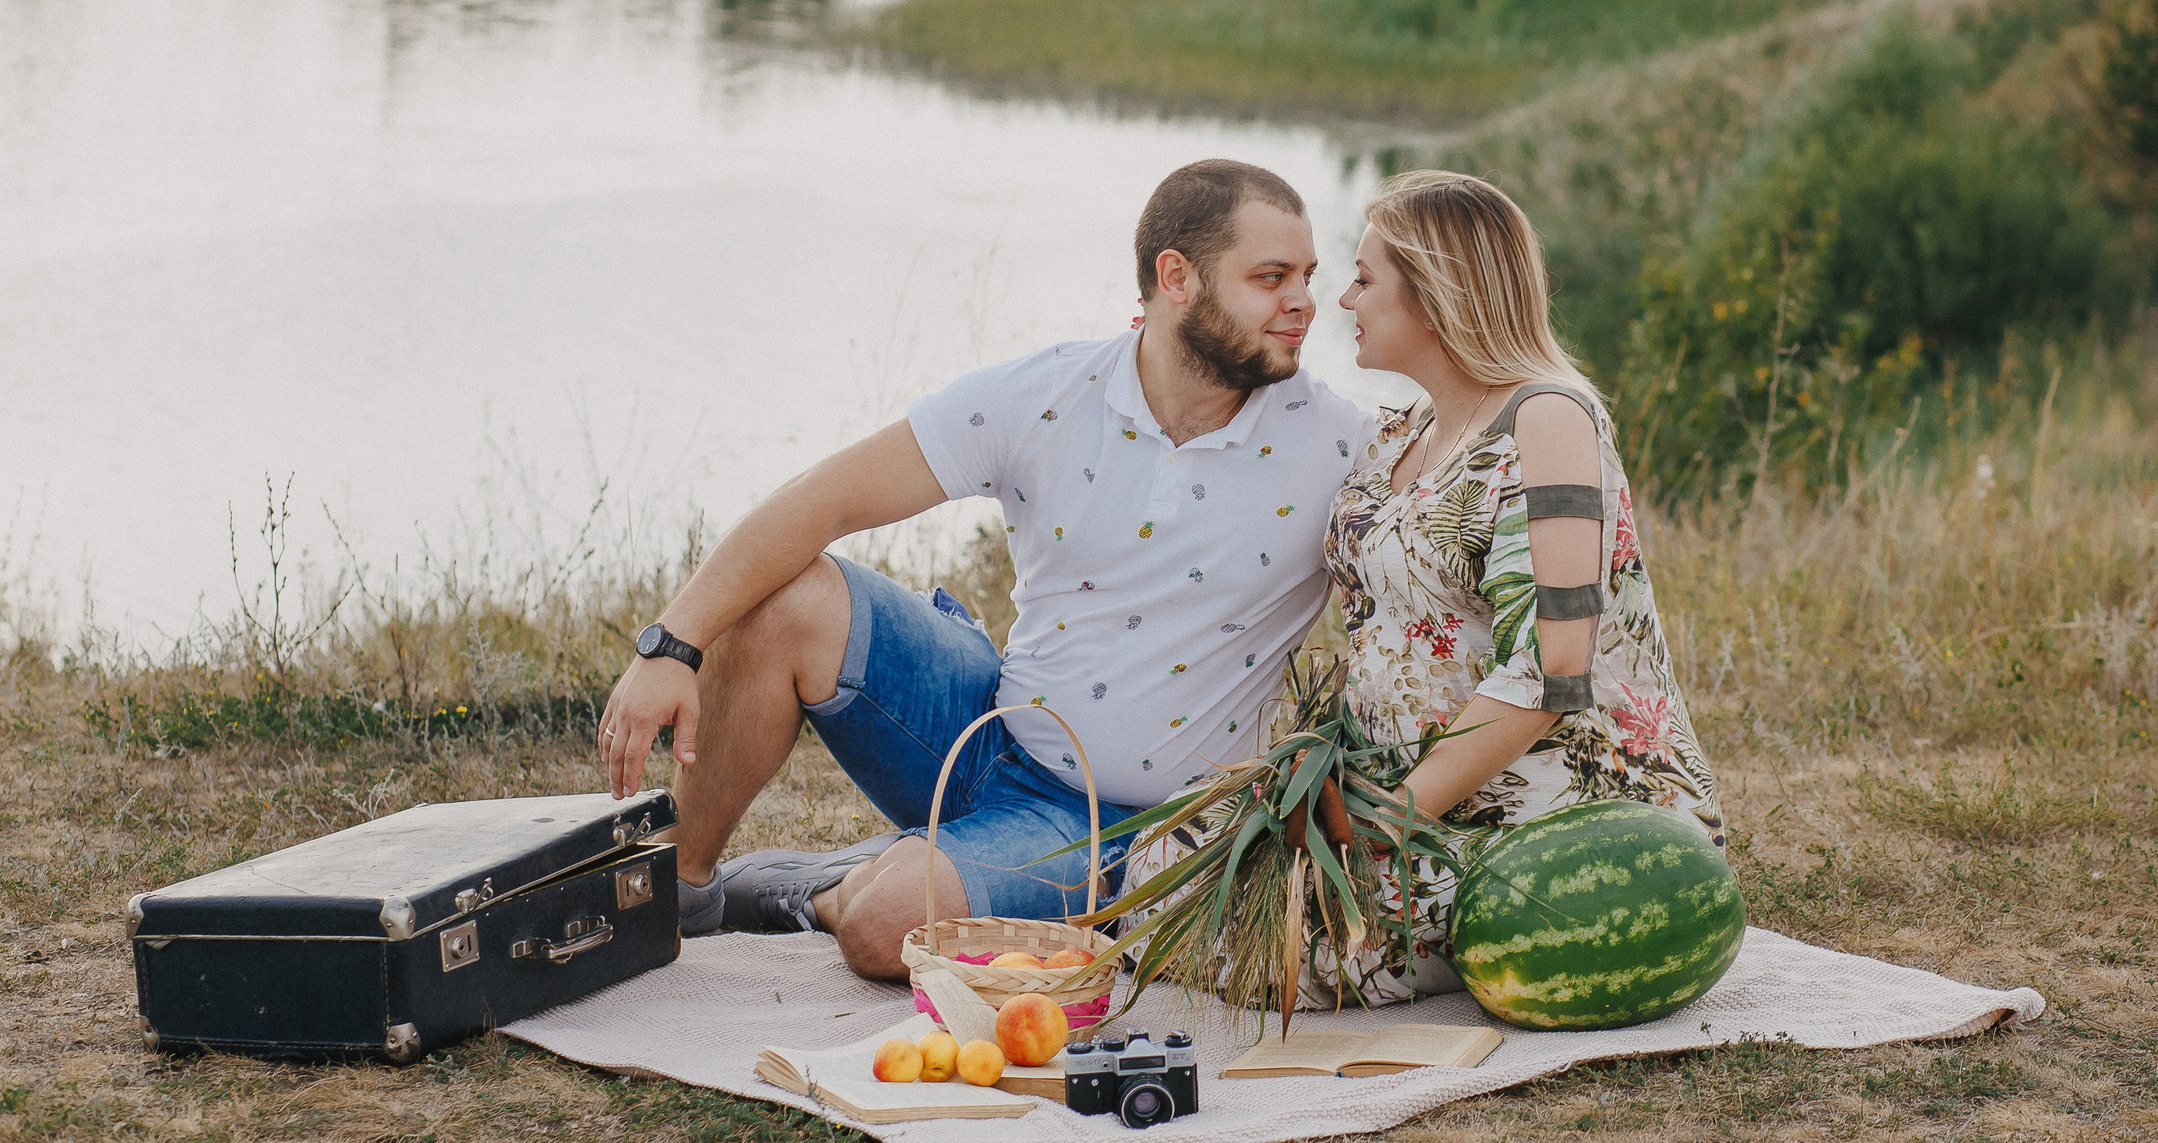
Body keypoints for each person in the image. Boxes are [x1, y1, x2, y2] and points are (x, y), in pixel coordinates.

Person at [594, 159, 1370, 980]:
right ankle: (680, 890)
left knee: (882, 924)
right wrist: (670, 645)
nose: (1304, 302)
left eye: (1309, 276)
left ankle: (831, 888)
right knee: (788, 596)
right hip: (986, 729)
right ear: (1176, 278)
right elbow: (822, 499)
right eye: (1271, 278)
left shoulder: (1344, 448)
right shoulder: (1049, 393)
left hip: (1124, 828)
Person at [1317, 168, 1725, 1001]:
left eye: (1364, 278)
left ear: (1434, 295)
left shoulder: (1547, 421)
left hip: (1543, 816)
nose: (1344, 298)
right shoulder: (1406, 429)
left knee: (1300, 951)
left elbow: (1551, 668)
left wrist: (1391, 819)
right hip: (1394, 793)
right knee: (1165, 861)